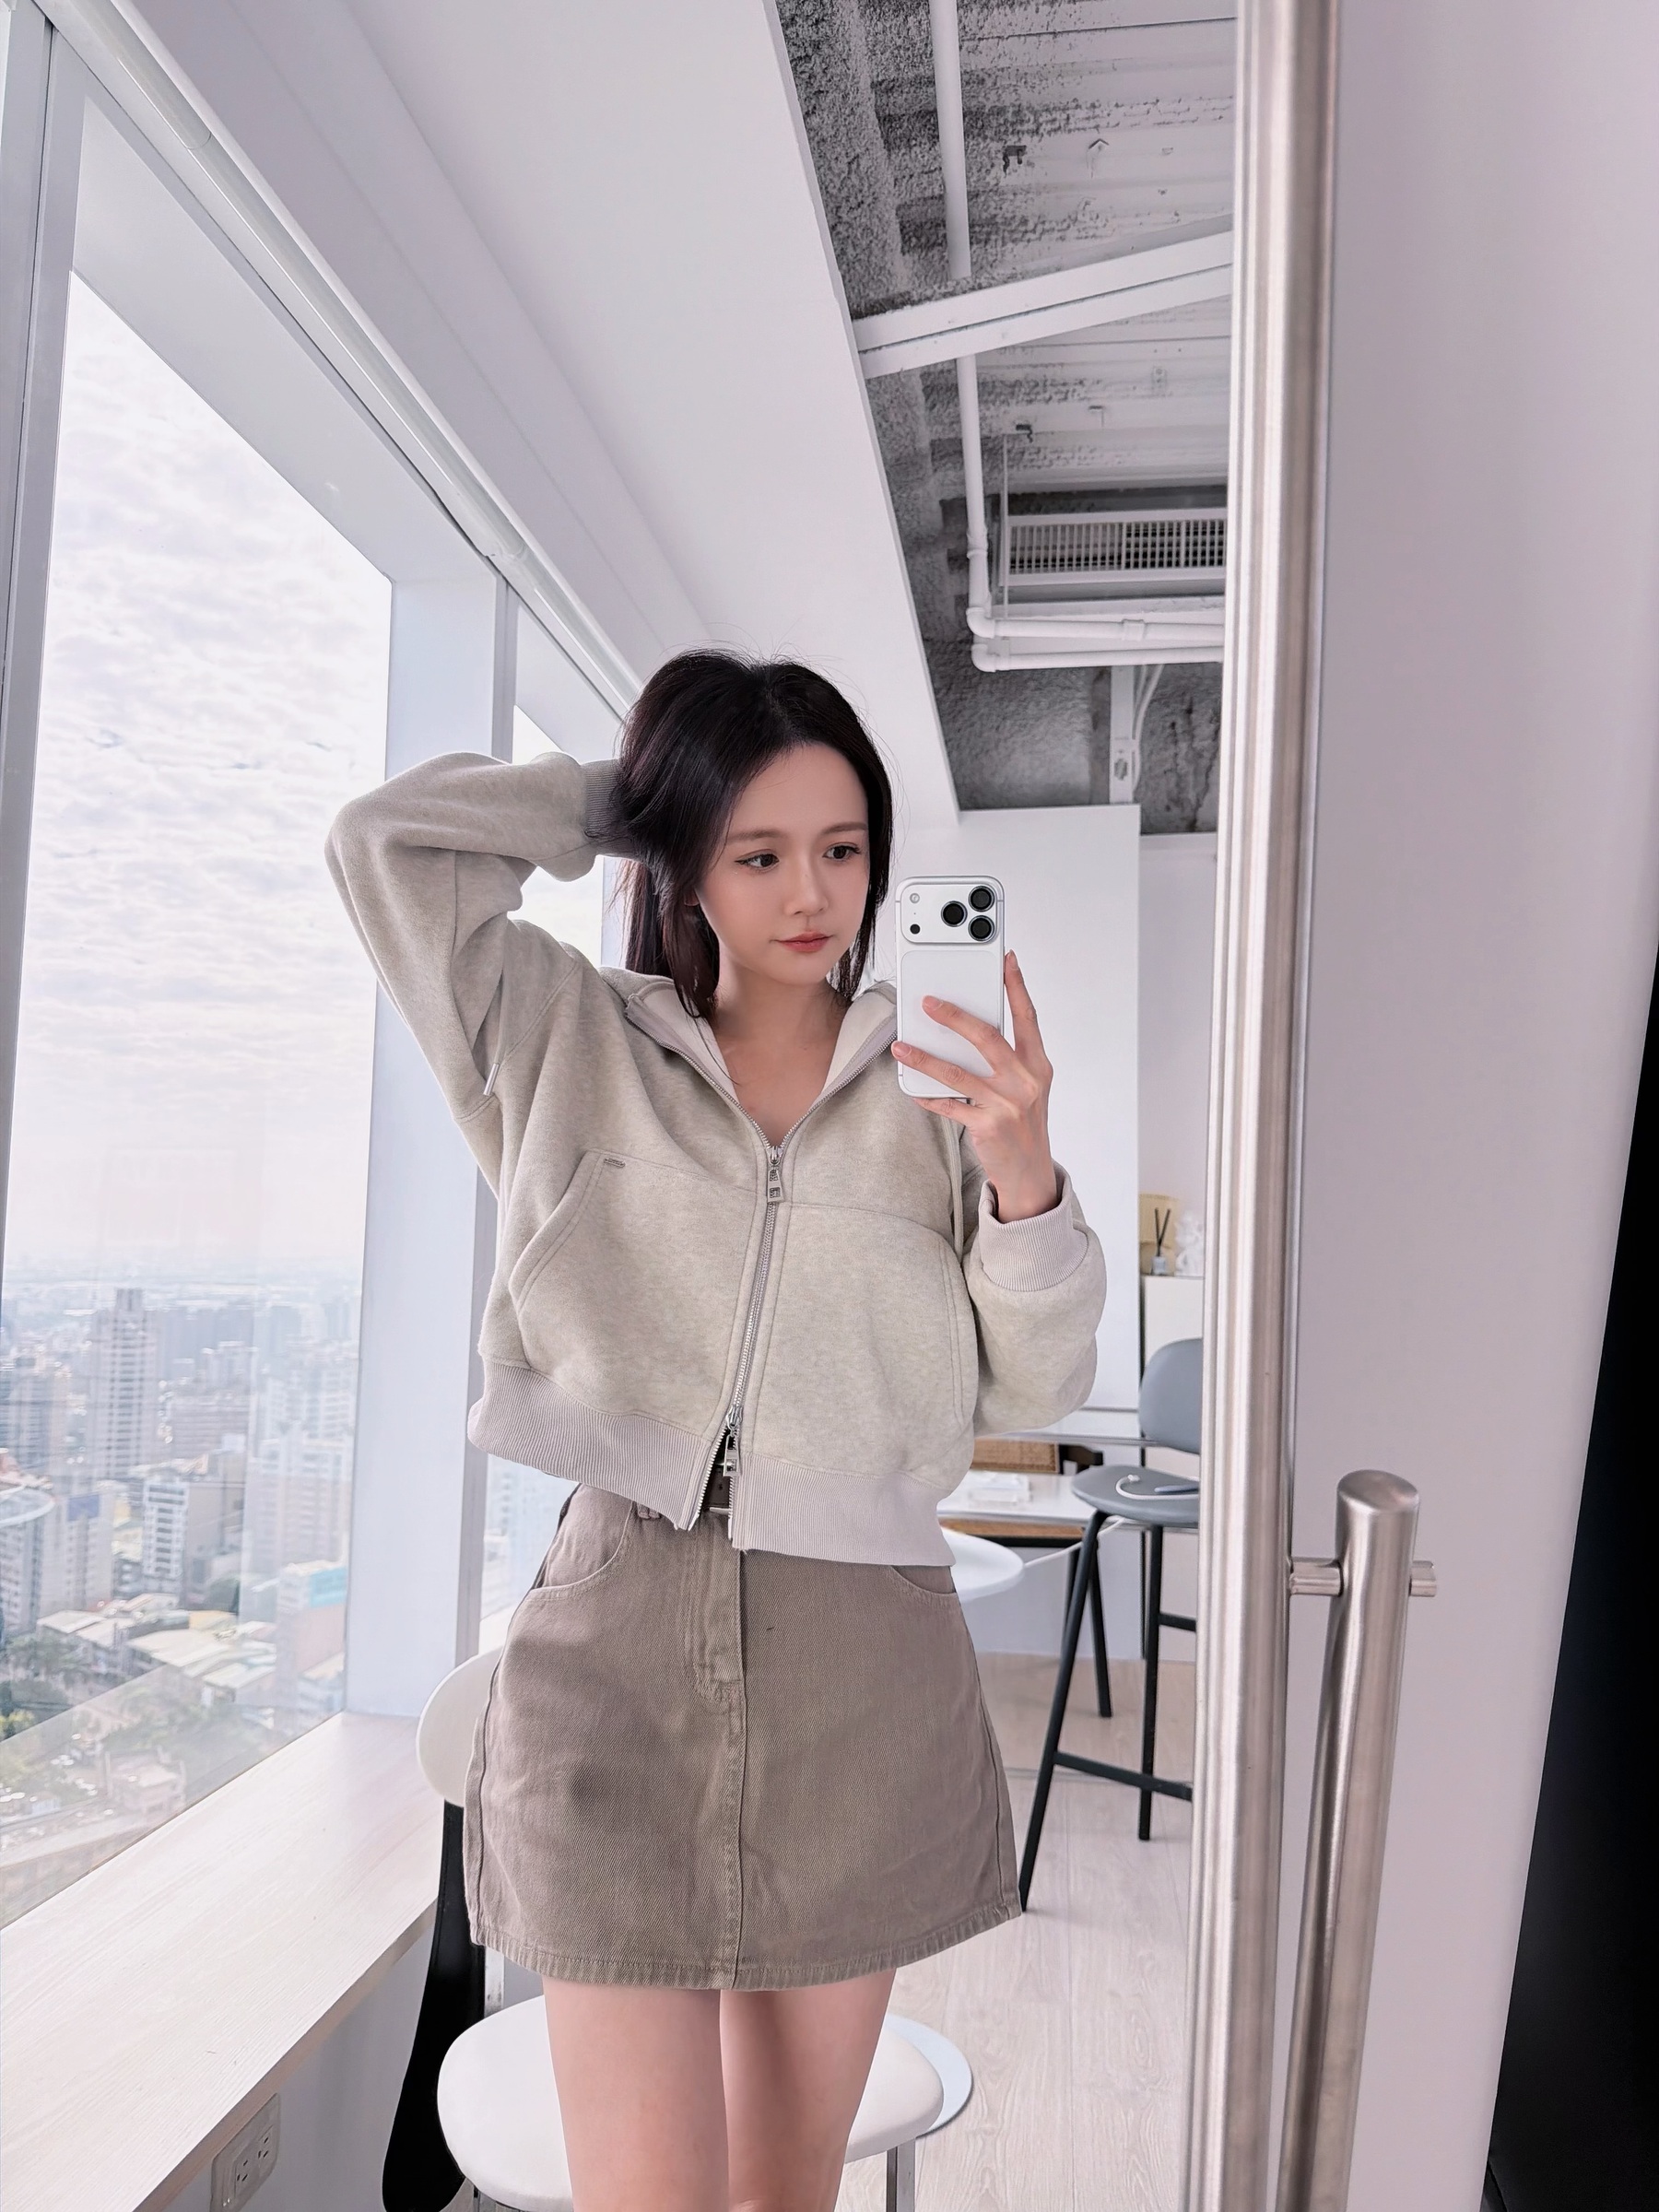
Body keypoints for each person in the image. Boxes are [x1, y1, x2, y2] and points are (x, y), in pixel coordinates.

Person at [326, 651, 1104, 2212]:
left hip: (863, 1675)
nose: (811, 893)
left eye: (842, 848)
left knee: (783, 2194)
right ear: (683, 861)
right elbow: (385, 847)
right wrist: (639, 797)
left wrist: (1026, 1178)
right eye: (757, 852)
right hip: (613, 1650)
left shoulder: (938, 1099)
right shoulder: (564, 1035)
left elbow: (1030, 1391)